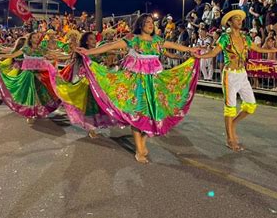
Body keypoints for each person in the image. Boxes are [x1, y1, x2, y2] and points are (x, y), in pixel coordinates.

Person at [77, 14, 200, 164]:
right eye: (147, 22)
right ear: (140, 25)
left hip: (154, 83)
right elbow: (110, 46)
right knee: (137, 113)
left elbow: (174, 46)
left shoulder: (157, 41)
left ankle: (143, 140)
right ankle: (139, 149)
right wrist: (88, 52)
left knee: (155, 113)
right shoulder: (133, 39)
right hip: (137, 83)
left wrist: (190, 49)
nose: (150, 25)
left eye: (152, 22)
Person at [194, 10, 277, 152]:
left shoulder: (245, 37)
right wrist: (200, 57)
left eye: (240, 19)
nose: (239, 21)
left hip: (242, 74)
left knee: (251, 105)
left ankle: (233, 124)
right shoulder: (225, 38)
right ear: (230, 22)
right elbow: (214, 53)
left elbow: (257, 49)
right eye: (236, 19)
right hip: (230, 75)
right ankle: (230, 139)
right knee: (230, 108)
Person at [55, 32, 118, 138]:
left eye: (94, 39)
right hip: (87, 83)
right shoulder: (82, 52)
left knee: (99, 105)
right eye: (91, 39)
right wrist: (57, 54)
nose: (94, 41)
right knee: (90, 106)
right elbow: (69, 56)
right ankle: (91, 129)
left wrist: (122, 50)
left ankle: (95, 126)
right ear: (86, 42)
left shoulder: (98, 52)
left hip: (97, 82)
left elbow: (109, 50)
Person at [0, 32, 61, 124]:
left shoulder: (41, 49)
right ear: (30, 39)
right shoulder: (25, 49)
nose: (36, 39)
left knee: (40, 95)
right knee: (30, 95)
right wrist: (0, 55)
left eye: (37, 37)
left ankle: (36, 112)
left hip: (39, 74)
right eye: (34, 37)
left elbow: (52, 53)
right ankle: (30, 114)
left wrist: (67, 54)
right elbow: (12, 55)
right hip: (28, 74)